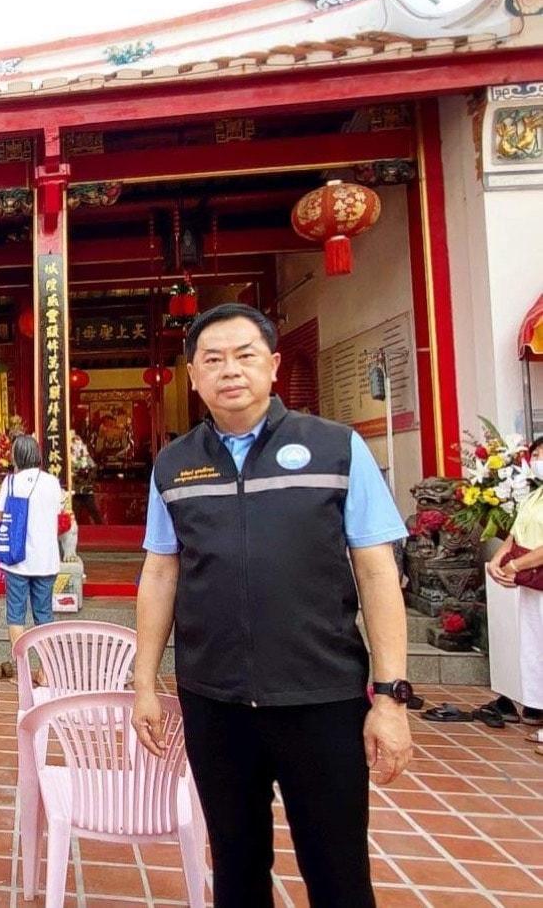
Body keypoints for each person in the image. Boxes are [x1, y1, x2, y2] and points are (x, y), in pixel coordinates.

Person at [133, 303, 412, 907]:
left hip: (322, 696)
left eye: (245, 355)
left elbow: (376, 571)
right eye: (213, 360)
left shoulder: (336, 449)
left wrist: (391, 696)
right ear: (193, 376)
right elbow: (160, 571)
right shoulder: (174, 465)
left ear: (274, 365)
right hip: (216, 700)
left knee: (338, 873)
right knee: (236, 866)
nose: (230, 370)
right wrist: (145, 684)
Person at [486, 436, 543, 750]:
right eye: (536, 454)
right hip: (532, 583)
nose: (538, 460)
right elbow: (514, 534)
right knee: (534, 649)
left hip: (533, 572)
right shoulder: (534, 496)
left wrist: (515, 565)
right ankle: (537, 709)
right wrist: (498, 559)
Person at [0, 435, 63, 677]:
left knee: (16, 614)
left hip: (17, 560)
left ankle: (22, 671)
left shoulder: (10, 482)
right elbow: (59, 511)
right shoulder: (52, 482)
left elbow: (0, 516)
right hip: (46, 560)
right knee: (44, 615)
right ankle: (46, 672)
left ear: (16, 456)